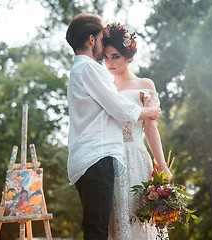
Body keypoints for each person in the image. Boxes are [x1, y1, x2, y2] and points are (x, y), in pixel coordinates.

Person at [65, 13, 162, 240]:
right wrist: (151, 112)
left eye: (115, 56)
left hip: (98, 158)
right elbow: (119, 108)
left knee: (99, 226)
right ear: (91, 39)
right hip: (96, 159)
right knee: (98, 229)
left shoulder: (81, 70)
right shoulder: (89, 69)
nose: (107, 60)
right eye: (100, 39)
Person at [102, 22, 173, 240]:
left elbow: (151, 129)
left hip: (136, 156)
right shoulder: (104, 85)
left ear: (128, 56)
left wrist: (162, 166)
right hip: (110, 158)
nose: (110, 62)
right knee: (116, 222)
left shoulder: (144, 84)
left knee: (139, 218)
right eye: (105, 57)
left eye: (115, 56)